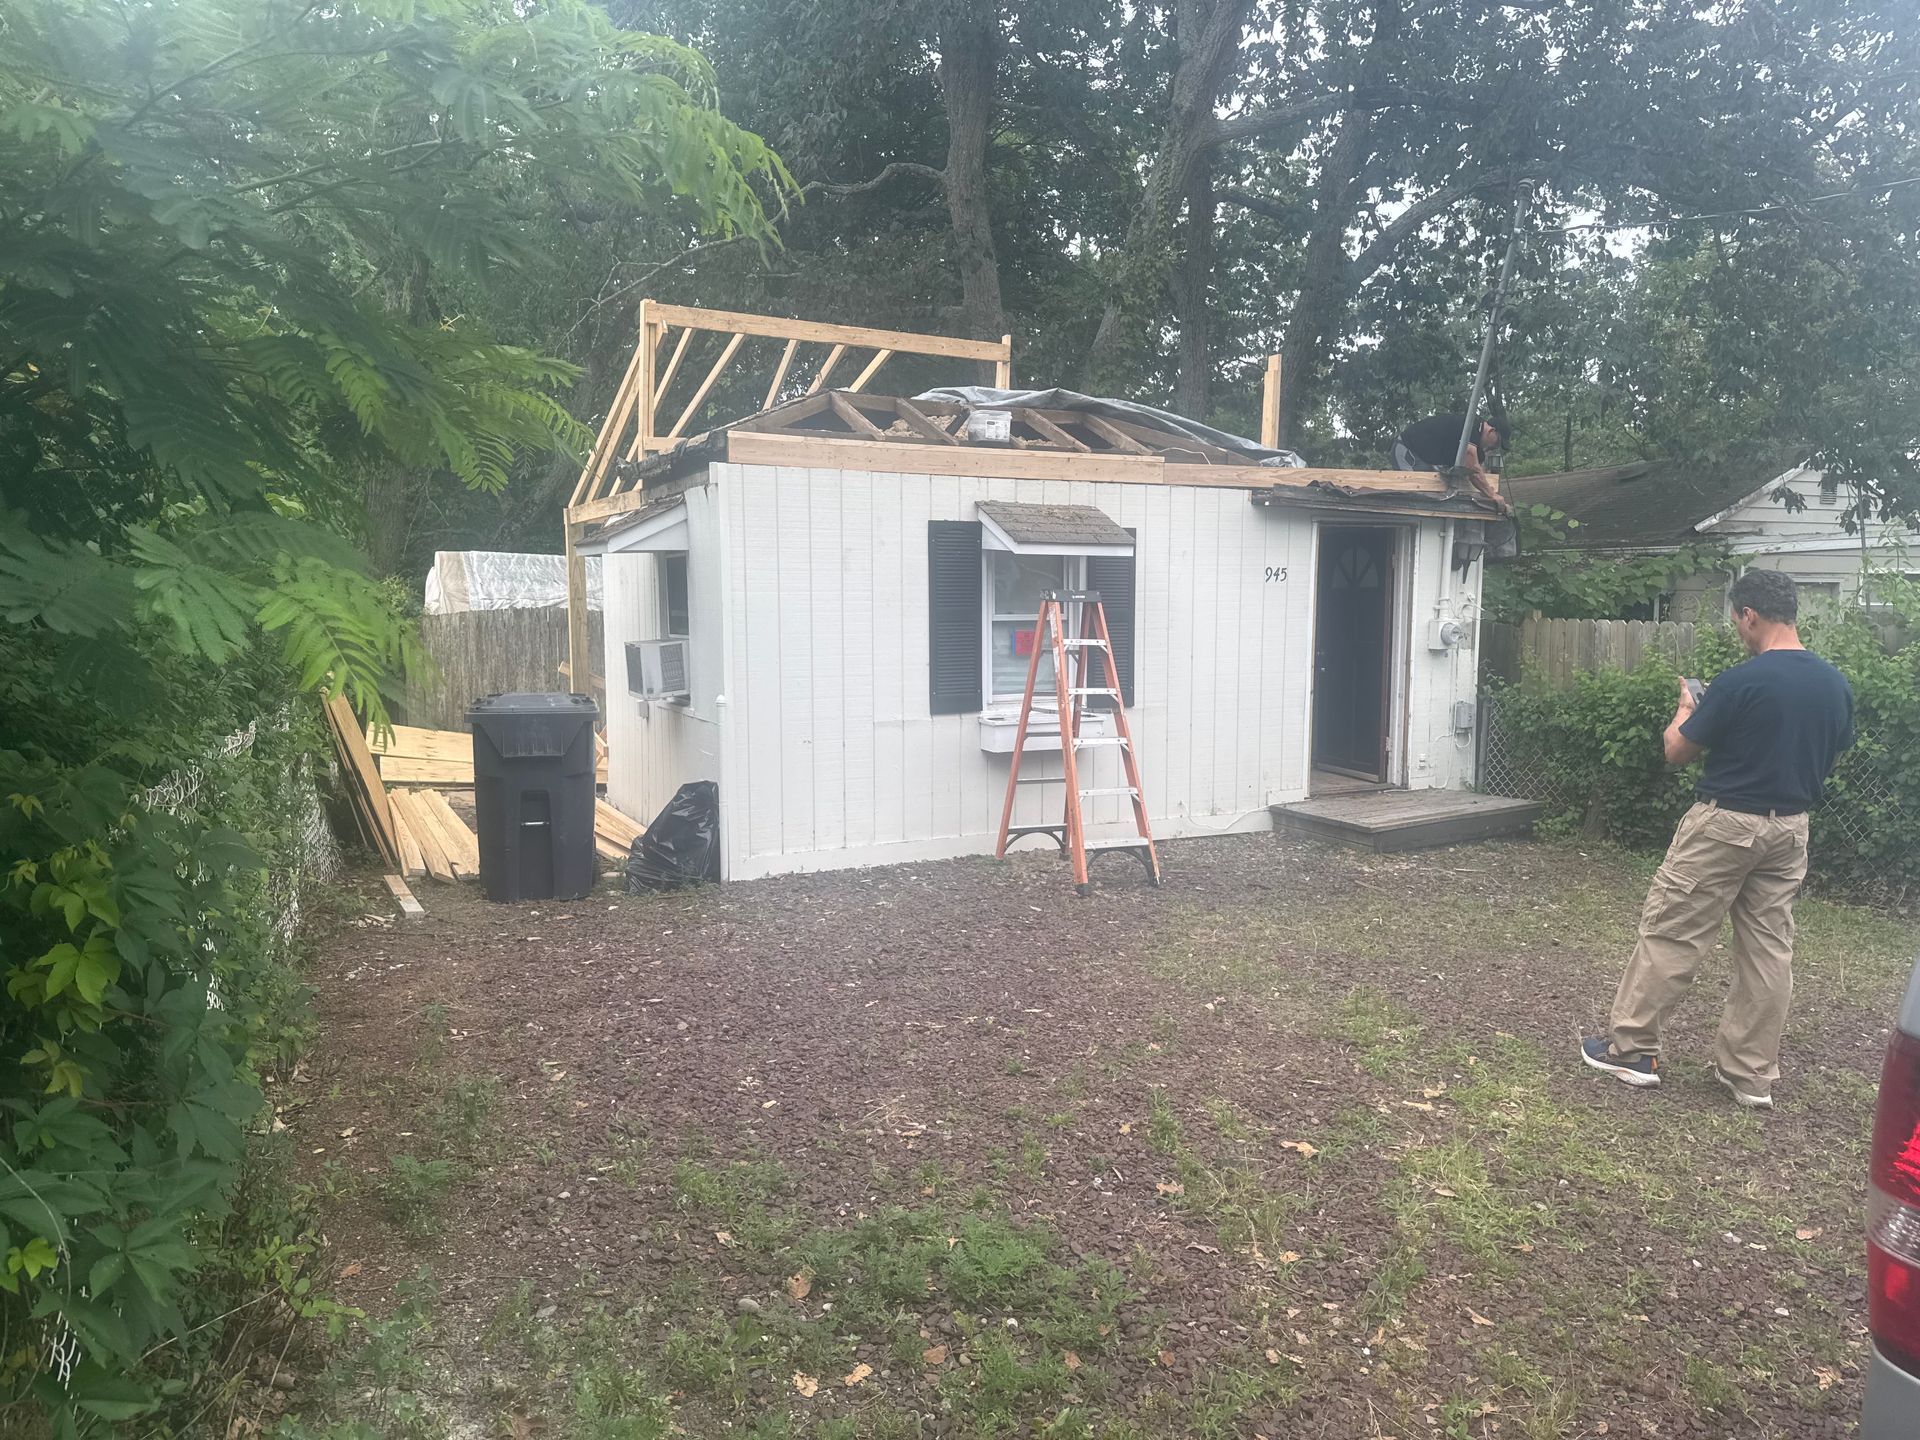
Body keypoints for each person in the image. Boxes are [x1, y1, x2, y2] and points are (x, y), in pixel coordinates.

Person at [1580, 570, 1854, 1111]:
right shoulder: (1833, 683)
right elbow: (1832, 748)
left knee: (1673, 931)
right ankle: (1750, 1075)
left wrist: (1686, 709)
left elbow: (1678, 751)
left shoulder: (1740, 681)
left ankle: (1632, 1050)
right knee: (1769, 951)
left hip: (1725, 824)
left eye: (1737, 621)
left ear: (1750, 614)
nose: (1738, 631)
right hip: (1790, 828)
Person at [1393, 413, 1511, 498]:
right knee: (1415, 493)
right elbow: (1474, 471)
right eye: (1498, 442)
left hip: (1426, 460)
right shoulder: (1473, 426)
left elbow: (1478, 473)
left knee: (1436, 493)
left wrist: (1489, 492)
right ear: (1491, 431)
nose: (1496, 446)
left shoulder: (1477, 449)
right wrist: (1493, 495)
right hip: (1407, 448)